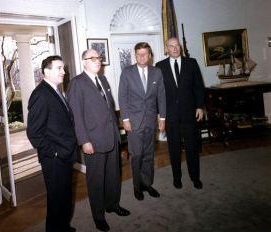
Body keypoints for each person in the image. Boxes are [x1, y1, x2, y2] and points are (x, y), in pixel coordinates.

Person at [66, 49, 130, 232]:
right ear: (84, 61)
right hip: (93, 141)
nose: (97, 61)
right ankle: (98, 216)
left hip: (111, 137)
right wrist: (84, 141)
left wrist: (117, 132)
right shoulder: (77, 83)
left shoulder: (102, 80)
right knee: (96, 180)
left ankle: (113, 204)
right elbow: (76, 116)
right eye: (92, 58)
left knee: (113, 175)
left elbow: (109, 109)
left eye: (99, 58)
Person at [26, 55, 77, 232]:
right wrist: (54, 152)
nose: (64, 71)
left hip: (65, 155)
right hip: (54, 159)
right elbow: (34, 133)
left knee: (64, 197)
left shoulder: (56, 90)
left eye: (63, 68)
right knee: (56, 200)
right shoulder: (40, 94)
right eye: (59, 68)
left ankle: (63, 227)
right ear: (46, 72)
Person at [118, 42, 166, 201]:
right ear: (135, 55)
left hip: (150, 122)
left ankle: (147, 184)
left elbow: (161, 96)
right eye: (138, 54)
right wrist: (125, 119)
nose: (141, 57)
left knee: (148, 155)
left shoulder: (157, 72)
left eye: (145, 54)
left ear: (150, 55)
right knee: (136, 155)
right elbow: (122, 97)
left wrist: (162, 118)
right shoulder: (127, 72)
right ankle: (137, 186)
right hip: (133, 122)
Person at [156, 37, 205, 190]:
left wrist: (199, 107)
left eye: (177, 45)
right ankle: (177, 178)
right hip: (171, 116)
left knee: (192, 147)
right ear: (167, 49)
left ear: (181, 47)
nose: (175, 48)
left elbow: (199, 87)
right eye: (171, 46)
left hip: (189, 113)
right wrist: (160, 115)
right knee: (174, 149)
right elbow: (159, 94)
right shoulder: (160, 66)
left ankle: (195, 177)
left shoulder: (191, 63)